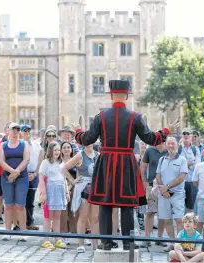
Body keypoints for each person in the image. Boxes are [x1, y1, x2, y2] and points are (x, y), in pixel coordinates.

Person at [72, 80, 178, 251]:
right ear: (127, 96)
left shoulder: (101, 117)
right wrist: (166, 130)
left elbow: (86, 139)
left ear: (112, 95)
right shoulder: (135, 117)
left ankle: (106, 242)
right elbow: (151, 138)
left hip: (106, 162)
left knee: (105, 205)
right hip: (126, 163)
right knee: (127, 205)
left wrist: (77, 130)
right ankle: (128, 243)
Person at [63, 143, 99, 252]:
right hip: (84, 188)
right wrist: (73, 181)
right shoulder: (80, 155)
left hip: (96, 188)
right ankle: (81, 244)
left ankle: (95, 245)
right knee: (83, 216)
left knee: (95, 218)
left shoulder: (98, 154)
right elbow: (64, 168)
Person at [0, 123, 30, 241]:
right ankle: (7, 230)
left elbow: (26, 159)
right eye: (13, 129)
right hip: (7, 176)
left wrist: (17, 172)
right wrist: (11, 172)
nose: (16, 132)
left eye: (18, 129)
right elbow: (1, 161)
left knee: (20, 205)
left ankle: (23, 231)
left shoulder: (24, 143)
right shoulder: (3, 145)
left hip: (22, 177)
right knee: (9, 205)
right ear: (8, 131)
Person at [39, 142, 70, 250]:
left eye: (58, 150)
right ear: (50, 151)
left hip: (60, 191)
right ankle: (46, 239)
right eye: (55, 150)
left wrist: (66, 192)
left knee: (57, 217)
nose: (57, 152)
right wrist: (43, 193)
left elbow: (64, 179)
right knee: (48, 217)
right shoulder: (45, 163)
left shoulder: (62, 163)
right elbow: (41, 179)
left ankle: (57, 239)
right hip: (50, 191)